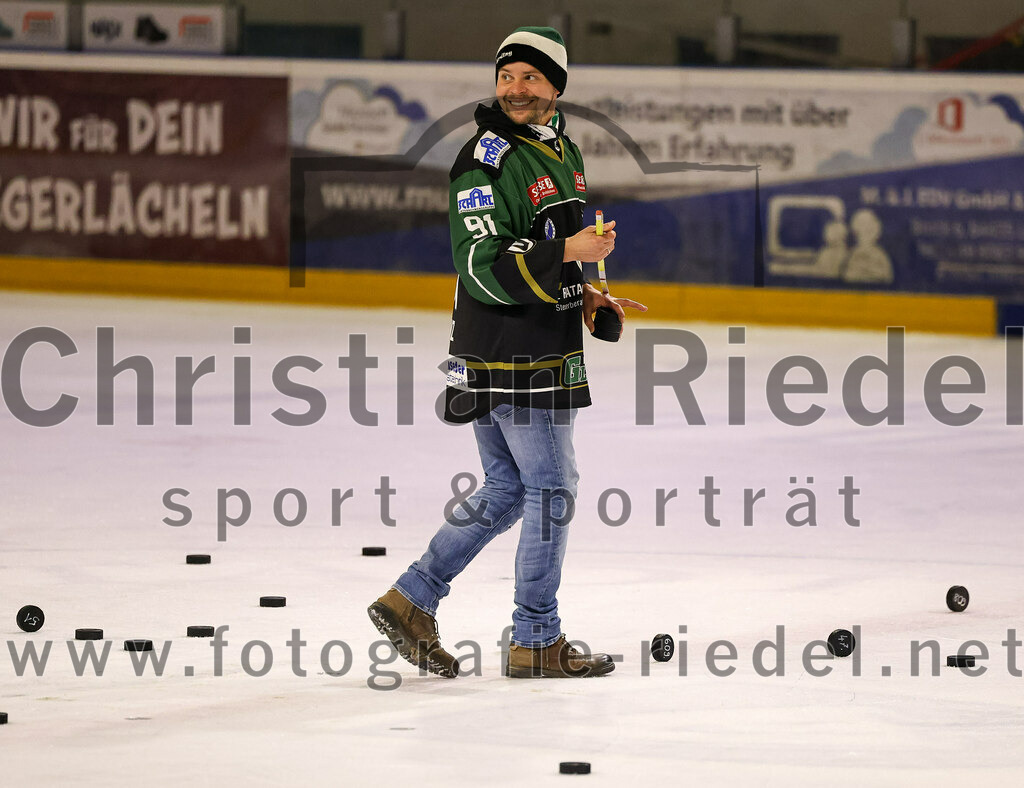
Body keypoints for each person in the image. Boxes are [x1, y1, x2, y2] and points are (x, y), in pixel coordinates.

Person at [368, 26, 646, 679]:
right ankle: (535, 639)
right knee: (550, 490)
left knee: (509, 488)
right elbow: (479, 262)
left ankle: (411, 599)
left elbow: (547, 239)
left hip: (534, 340)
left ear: (556, 86)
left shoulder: (562, 150)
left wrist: (584, 296)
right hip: (513, 350)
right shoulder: (486, 159)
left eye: (529, 77)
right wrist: (568, 256)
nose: (515, 88)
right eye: (506, 77)